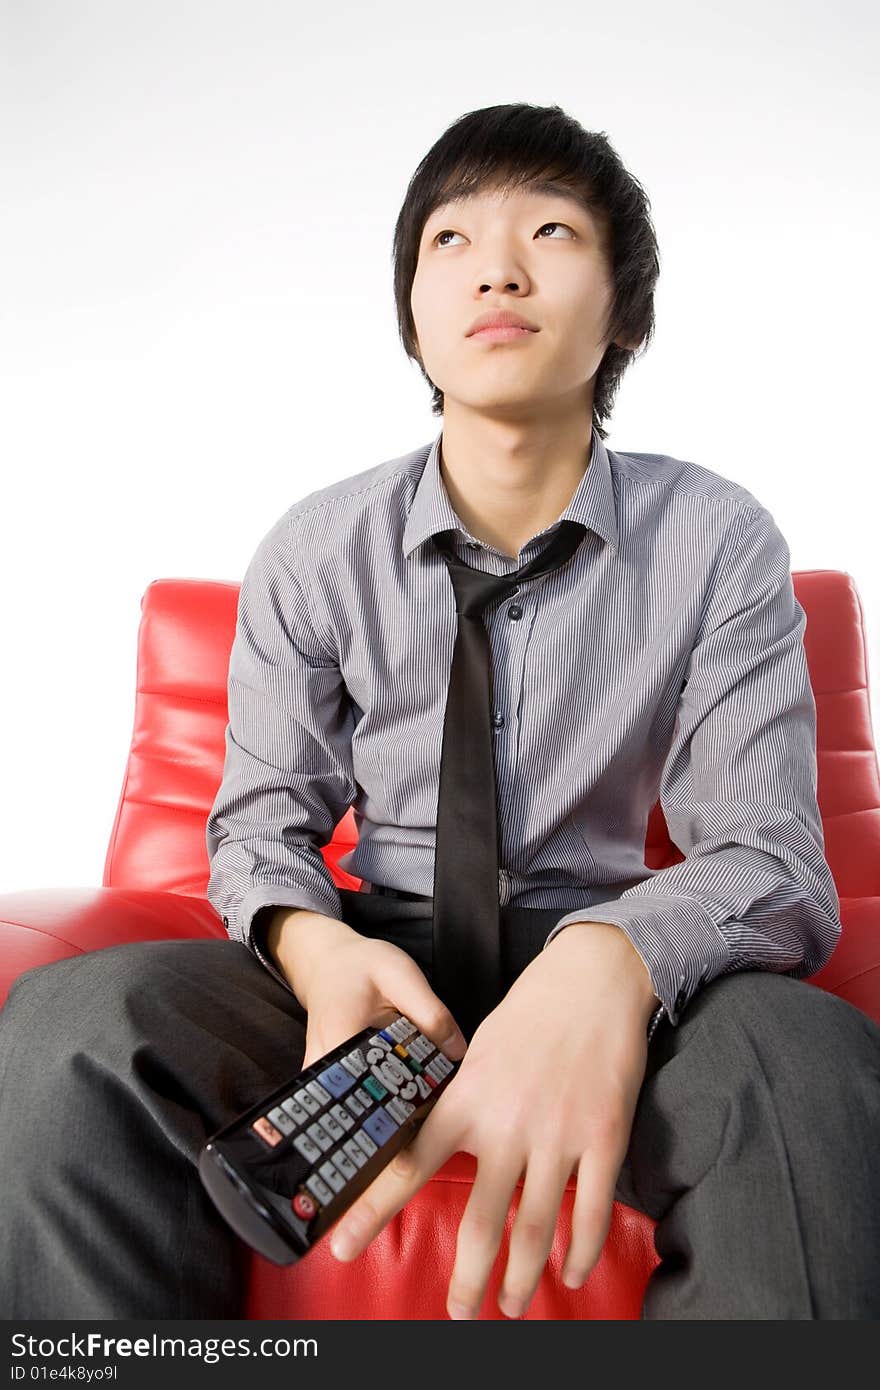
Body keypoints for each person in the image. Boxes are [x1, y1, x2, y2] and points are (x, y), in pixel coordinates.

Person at [2, 102, 879, 1322]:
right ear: (412, 312)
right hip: (372, 968)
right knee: (71, 1026)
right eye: (449, 242)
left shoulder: (719, 541)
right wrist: (320, 953)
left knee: (805, 1064)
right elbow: (259, 831)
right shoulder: (315, 549)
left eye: (552, 231)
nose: (497, 269)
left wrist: (611, 957)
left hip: (608, 965)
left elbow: (773, 858)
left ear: (626, 309)